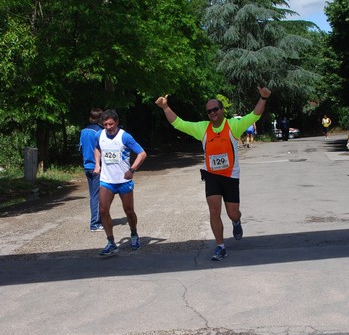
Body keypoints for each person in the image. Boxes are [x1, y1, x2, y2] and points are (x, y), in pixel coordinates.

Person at [155, 86, 272, 261]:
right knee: (214, 210)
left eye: (215, 109)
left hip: (231, 176)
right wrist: (165, 107)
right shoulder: (202, 128)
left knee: (233, 213)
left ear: (222, 110)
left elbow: (254, 115)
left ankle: (236, 221)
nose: (212, 113)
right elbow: (178, 123)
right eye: (209, 111)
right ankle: (220, 246)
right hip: (212, 176)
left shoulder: (234, 125)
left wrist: (263, 98)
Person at [94, 109, 147, 256]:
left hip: (123, 181)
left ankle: (134, 234)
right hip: (107, 180)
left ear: (116, 122)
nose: (108, 127)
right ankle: (111, 242)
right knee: (103, 211)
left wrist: (132, 169)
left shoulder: (125, 137)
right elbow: (97, 148)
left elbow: (142, 154)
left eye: (111, 124)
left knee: (129, 211)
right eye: (105, 124)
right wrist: (97, 164)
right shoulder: (99, 135)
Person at [79, 107, 104, 231]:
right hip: (97, 167)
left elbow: (81, 149)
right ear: (100, 118)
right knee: (97, 196)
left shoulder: (83, 131)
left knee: (93, 195)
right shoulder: (99, 132)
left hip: (87, 166)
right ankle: (95, 223)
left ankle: (98, 220)